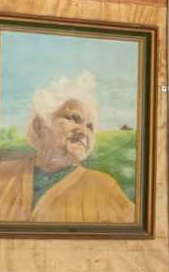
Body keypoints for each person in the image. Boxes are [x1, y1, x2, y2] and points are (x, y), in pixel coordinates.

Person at [10, 69, 137, 230]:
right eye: (73, 118)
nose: (84, 132)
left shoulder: (105, 187)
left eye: (90, 127)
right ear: (40, 125)